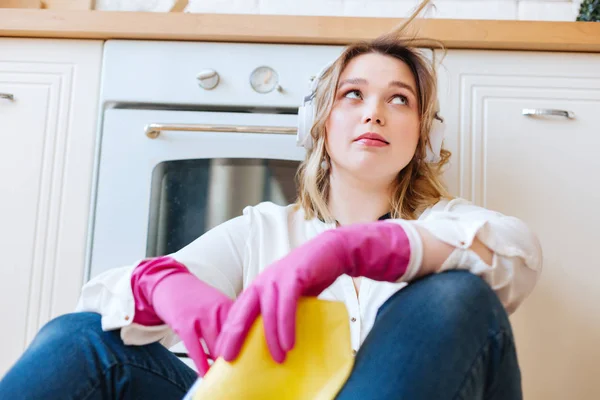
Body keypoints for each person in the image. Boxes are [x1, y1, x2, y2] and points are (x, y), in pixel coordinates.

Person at [0, 1, 542, 399]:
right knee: (80, 338)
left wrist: (354, 249)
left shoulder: (446, 224)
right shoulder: (262, 230)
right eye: (353, 95)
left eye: (398, 100)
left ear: (422, 136)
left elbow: (517, 255)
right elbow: (103, 300)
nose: (374, 112)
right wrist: (160, 284)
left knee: (456, 292)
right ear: (321, 125)